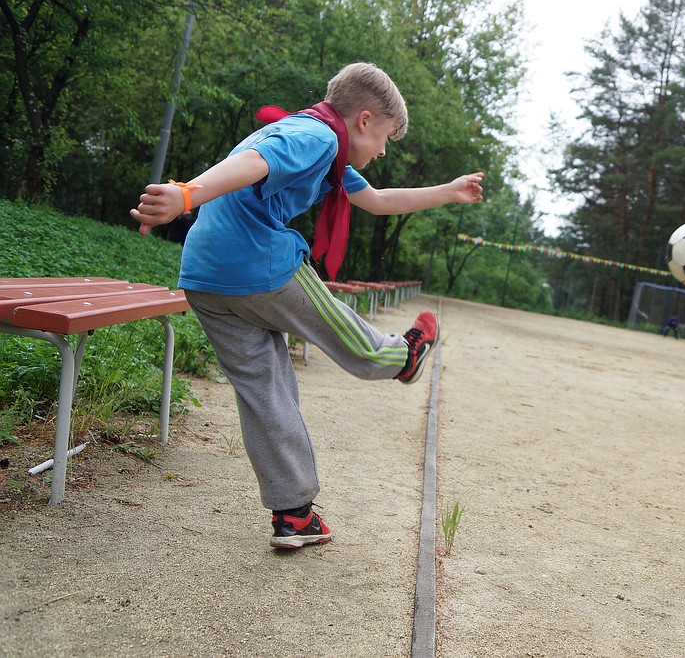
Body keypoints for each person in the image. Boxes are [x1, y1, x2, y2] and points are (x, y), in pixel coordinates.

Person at [131, 62, 485, 549]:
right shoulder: (315, 136)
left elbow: (379, 200)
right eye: (384, 137)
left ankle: (293, 514)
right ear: (363, 119)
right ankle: (401, 357)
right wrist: (188, 192)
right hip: (258, 265)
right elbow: (257, 162)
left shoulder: (324, 148)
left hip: (205, 277)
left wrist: (448, 191)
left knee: (265, 390)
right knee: (337, 328)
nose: (382, 150)